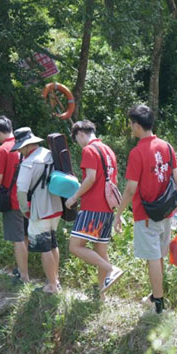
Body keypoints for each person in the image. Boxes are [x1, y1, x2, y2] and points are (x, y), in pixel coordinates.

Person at [113, 104, 177, 313]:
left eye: (131, 124)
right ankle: (155, 295)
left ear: (137, 125)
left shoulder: (137, 152)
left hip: (147, 214)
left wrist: (118, 214)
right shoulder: (167, 146)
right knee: (158, 255)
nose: (131, 128)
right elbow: (175, 179)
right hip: (166, 211)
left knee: (153, 258)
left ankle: (158, 303)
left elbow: (131, 189)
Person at [65, 120, 124, 295]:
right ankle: (101, 295)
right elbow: (115, 180)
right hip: (107, 208)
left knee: (75, 247)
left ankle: (111, 269)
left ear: (80, 134)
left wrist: (74, 197)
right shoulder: (109, 151)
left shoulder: (89, 150)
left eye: (77, 139)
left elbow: (90, 178)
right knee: (100, 251)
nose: (78, 143)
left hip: (92, 207)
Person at [13, 127, 63, 294]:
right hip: (56, 205)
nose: (19, 150)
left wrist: (24, 210)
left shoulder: (28, 162)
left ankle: (51, 286)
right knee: (53, 243)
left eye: (20, 147)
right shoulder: (49, 154)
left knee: (44, 247)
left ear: (28, 146)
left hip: (39, 209)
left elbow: (21, 190)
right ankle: (56, 280)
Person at [0, 116, 29, 283]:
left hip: (13, 201)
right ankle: (22, 270)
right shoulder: (25, 145)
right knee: (24, 236)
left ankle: (24, 277)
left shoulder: (2, 150)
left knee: (17, 239)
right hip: (28, 199)